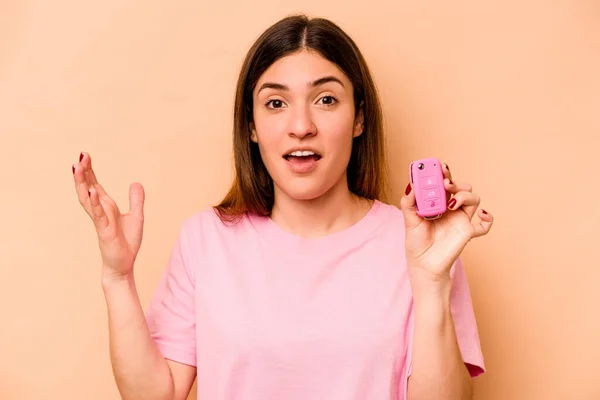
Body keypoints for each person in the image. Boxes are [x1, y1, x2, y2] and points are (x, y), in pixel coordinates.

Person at [72, 13, 494, 400]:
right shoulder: (205, 239)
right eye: (276, 103)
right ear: (252, 127)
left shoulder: (419, 243)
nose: (301, 126)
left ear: (360, 118)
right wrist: (117, 276)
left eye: (326, 100)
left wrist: (432, 282)